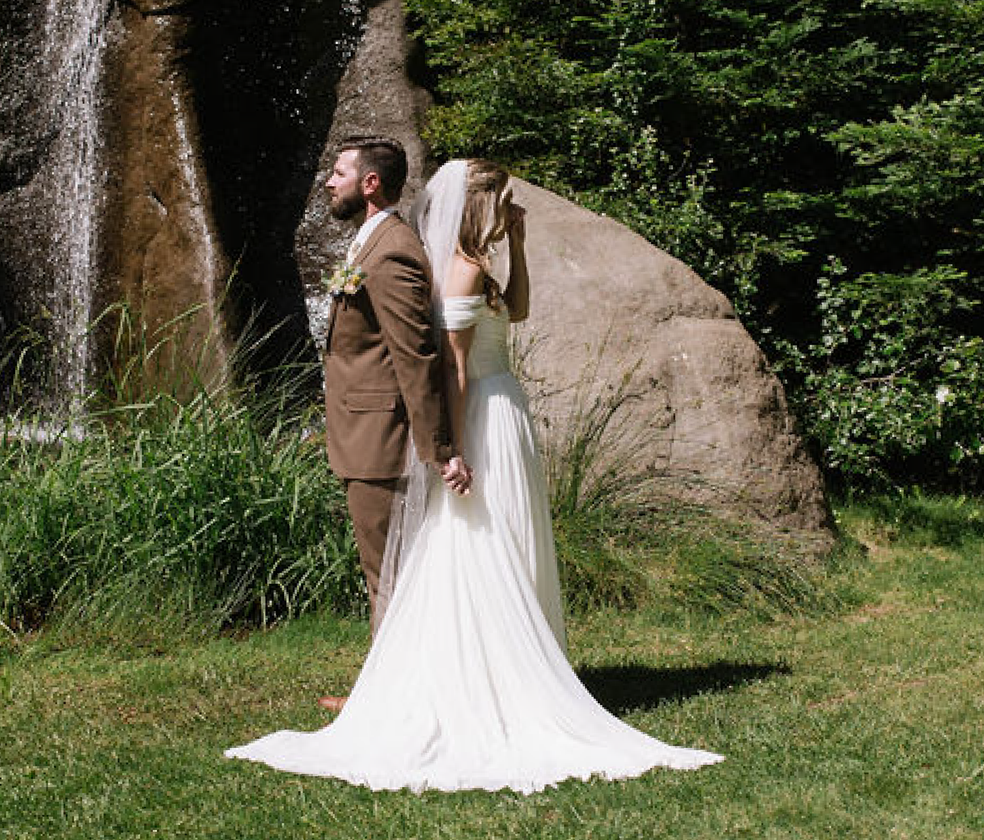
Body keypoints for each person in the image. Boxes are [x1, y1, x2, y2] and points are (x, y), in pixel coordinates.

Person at [229, 158, 723, 793]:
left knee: (499, 541)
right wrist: (450, 447)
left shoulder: (476, 264)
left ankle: (492, 674)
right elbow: (450, 368)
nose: (508, 209)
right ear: (478, 204)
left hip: (499, 412)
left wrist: (515, 240)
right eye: (502, 203)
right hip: (481, 415)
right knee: (473, 545)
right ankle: (452, 679)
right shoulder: (455, 267)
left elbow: (512, 313)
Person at [313, 140, 472, 662]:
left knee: (389, 573)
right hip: (362, 432)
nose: (329, 182)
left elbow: (415, 357)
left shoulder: (394, 250)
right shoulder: (369, 242)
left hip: (381, 437)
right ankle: (387, 691)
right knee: (382, 570)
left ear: (370, 183)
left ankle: (388, 700)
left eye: (339, 174)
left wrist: (439, 447)